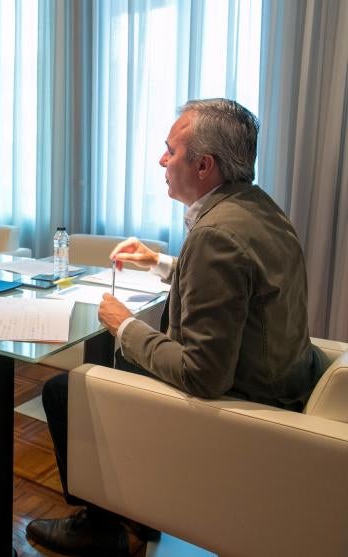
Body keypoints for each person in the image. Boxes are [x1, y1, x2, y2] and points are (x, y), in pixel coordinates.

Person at [26, 98, 326, 556]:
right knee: (107, 371)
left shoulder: (215, 235)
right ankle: (133, 508)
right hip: (281, 381)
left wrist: (124, 325)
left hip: (240, 411)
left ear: (203, 165)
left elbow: (203, 375)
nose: (161, 160)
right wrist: (161, 263)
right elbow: (237, 289)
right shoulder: (256, 207)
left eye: (170, 150)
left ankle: (100, 528)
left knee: (64, 391)